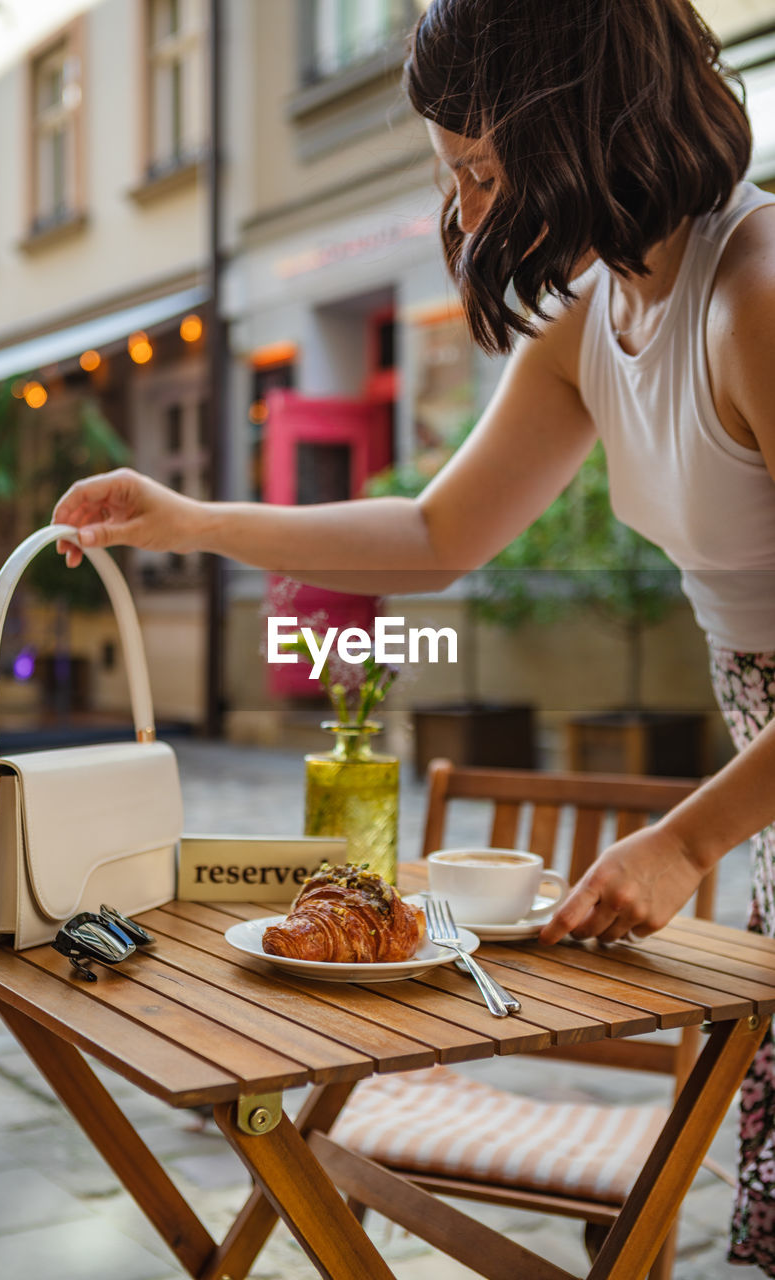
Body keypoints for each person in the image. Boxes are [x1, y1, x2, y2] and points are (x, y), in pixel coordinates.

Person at [54, 1, 775, 1264]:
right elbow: (440, 532)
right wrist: (193, 519)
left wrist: (679, 841)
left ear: (586, 126)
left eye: (485, 172)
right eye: (455, 178)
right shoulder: (594, 317)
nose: (474, 213)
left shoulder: (753, 293)